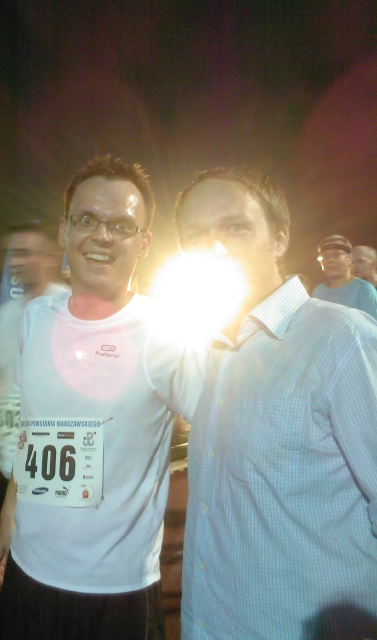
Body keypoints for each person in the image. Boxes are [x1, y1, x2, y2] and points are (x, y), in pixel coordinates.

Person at [0, 156, 206, 640]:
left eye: (121, 226)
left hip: (118, 593)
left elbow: (225, 436)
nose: (101, 236)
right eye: (86, 219)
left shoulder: (166, 335)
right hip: (28, 573)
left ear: (144, 243)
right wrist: (9, 517)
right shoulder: (34, 320)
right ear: (65, 229)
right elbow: (31, 431)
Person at [175, 167, 377, 639]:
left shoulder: (344, 340)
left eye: (235, 227)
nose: (215, 248)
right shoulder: (208, 350)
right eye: (196, 235)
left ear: (280, 238)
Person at [0, 221, 69, 529]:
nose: (16, 262)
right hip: (9, 465)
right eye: (13, 254)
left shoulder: (68, 311)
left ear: (50, 257)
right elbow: (1, 388)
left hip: (50, 471)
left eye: (25, 253)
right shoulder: (8, 315)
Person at [311, 234, 377, 318]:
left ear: (349, 258)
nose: (330, 260)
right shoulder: (318, 291)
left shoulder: (364, 290)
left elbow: (372, 325)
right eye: (325, 256)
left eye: (336, 254)